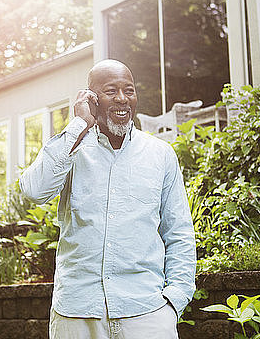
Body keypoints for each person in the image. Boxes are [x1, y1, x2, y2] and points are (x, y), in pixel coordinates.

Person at [20, 59, 196, 339]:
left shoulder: (160, 154)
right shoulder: (72, 149)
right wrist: (79, 125)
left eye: (129, 90)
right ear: (92, 98)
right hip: (77, 315)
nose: (122, 99)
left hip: (146, 313)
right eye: (111, 91)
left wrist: (175, 300)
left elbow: (179, 233)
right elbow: (34, 190)